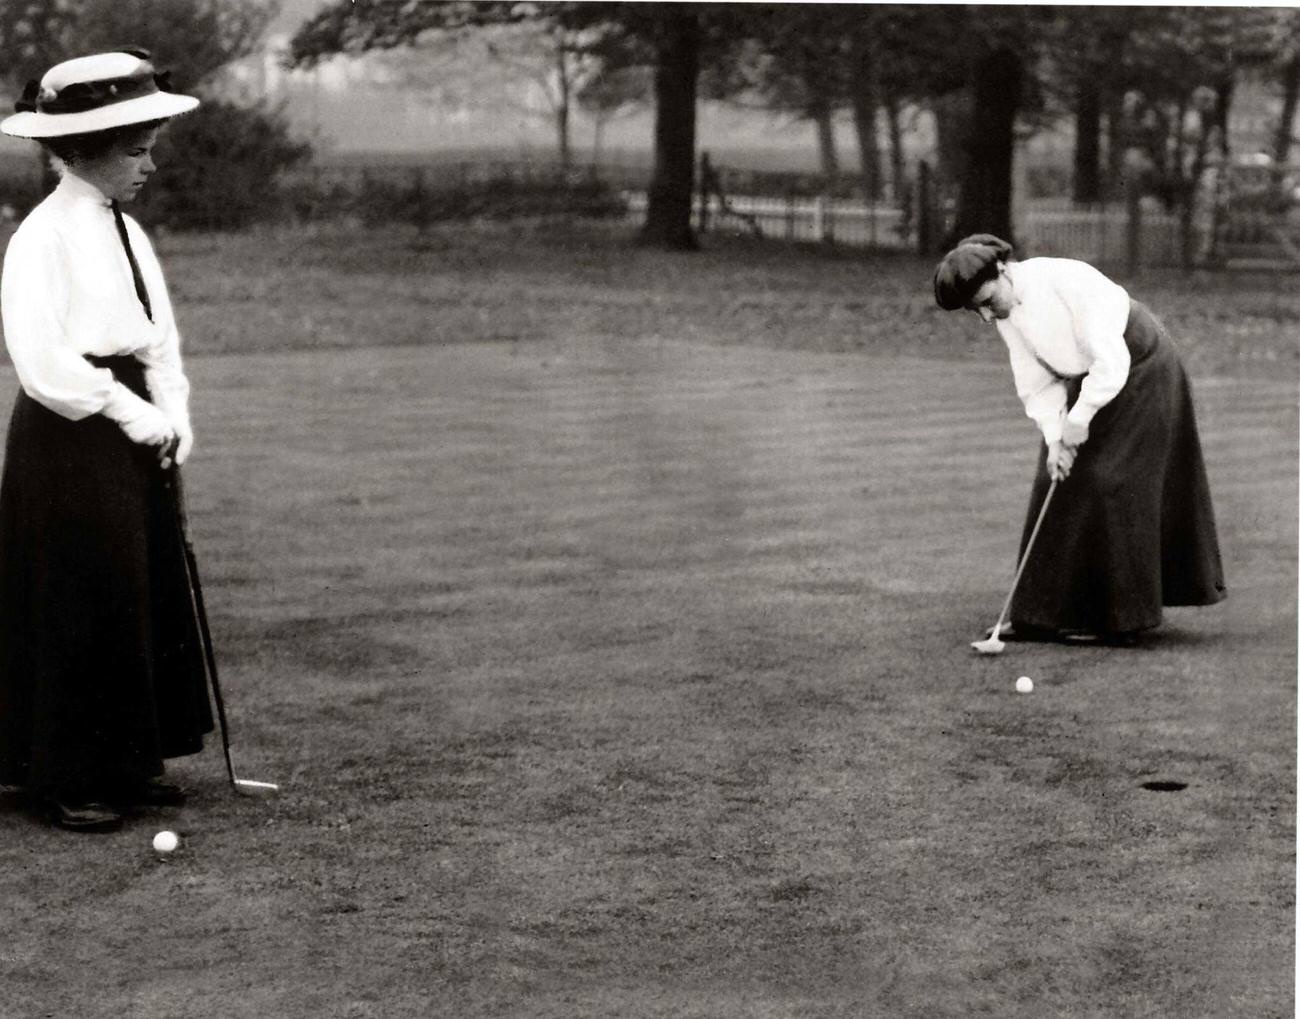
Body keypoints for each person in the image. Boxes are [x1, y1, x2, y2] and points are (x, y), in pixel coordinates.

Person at [0, 50, 213, 831]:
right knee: (79, 590)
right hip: (68, 435)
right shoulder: (41, 237)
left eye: (150, 146)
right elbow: (45, 363)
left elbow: (157, 337)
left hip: (130, 427)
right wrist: (131, 413)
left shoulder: (125, 230)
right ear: (82, 150)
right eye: (136, 150)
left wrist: (174, 412)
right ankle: (63, 773)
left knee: (135, 583)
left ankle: (126, 759)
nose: (149, 165)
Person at [933, 234, 1226, 645]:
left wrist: (1081, 417)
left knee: (1111, 481)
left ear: (1001, 271)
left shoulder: (1064, 281)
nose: (985, 316)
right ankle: (1038, 615)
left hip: (1140, 364)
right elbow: (1036, 383)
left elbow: (1112, 361)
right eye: (975, 310)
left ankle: (1119, 619)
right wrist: (1056, 438)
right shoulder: (1006, 315)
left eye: (985, 302)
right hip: (1092, 377)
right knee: (1052, 478)